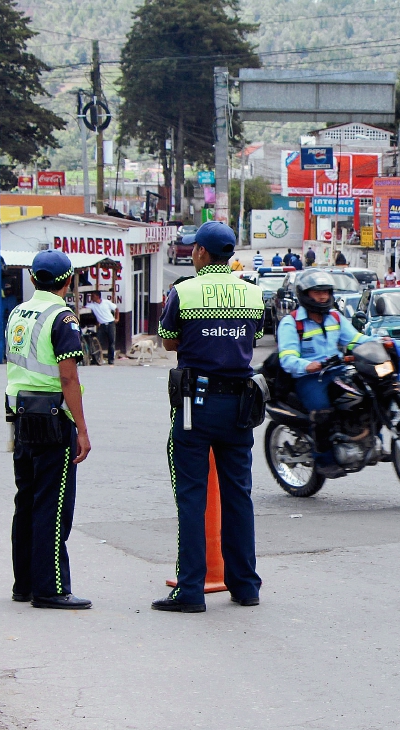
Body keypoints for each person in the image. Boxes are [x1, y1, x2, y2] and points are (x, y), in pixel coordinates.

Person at [155, 222, 266, 613]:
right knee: (239, 495)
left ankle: (189, 591)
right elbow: (251, 338)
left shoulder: (183, 292)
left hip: (194, 405)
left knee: (191, 495)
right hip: (239, 405)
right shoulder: (254, 293)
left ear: (201, 253)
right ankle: (246, 586)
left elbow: (169, 340)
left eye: (193, 249)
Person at [5, 251, 92, 609]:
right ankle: (51, 588)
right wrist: (82, 430)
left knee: (26, 500)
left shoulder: (18, 312)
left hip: (20, 414)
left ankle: (23, 584)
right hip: (53, 418)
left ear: (32, 278)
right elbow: (68, 376)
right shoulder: (62, 316)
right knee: (53, 506)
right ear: (67, 281)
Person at [277, 269, 378, 479]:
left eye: (326, 291)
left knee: (371, 392)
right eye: (317, 292)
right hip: (309, 378)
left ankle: (367, 439)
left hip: (337, 371)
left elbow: (354, 339)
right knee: (322, 411)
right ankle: (324, 460)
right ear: (305, 294)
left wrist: (381, 343)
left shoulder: (335, 317)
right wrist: (307, 365)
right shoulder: (291, 322)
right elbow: (287, 358)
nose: (323, 296)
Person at [85, 292, 119, 365]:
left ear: (97, 296)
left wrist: (117, 318)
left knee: (111, 342)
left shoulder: (106, 302)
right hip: (102, 325)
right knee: (98, 341)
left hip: (110, 323)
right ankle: (96, 358)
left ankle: (111, 359)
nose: (91, 298)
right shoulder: (92, 305)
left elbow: (116, 308)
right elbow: (84, 307)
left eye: (93, 296)